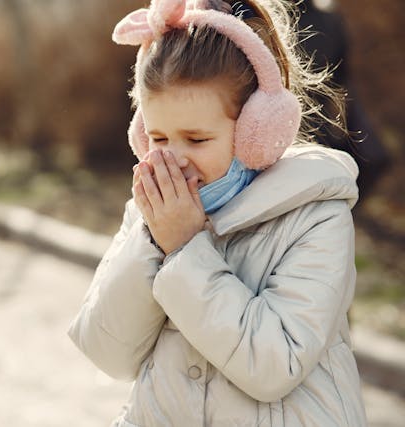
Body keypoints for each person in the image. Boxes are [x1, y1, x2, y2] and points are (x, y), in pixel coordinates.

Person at [67, 0, 367, 426]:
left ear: (255, 131)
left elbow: (273, 365)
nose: (176, 159)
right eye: (158, 137)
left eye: (196, 138)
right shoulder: (150, 214)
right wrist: (153, 241)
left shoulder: (316, 215)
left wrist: (187, 249)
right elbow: (107, 351)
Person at [296, 0, 390, 203]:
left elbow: (342, 78)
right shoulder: (264, 15)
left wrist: (346, 121)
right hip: (293, 125)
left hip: (317, 122)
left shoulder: (330, 21)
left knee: (372, 158)